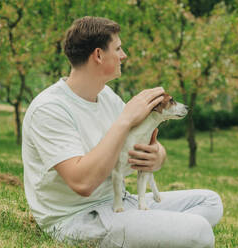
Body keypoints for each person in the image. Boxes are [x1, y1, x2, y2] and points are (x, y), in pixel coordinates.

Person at [22, 16, 223, 248]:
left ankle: (153, 229)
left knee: (210, 202)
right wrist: (125, 119)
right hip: (79, 218)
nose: (124, 55)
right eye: (118, 48)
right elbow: (83, 183)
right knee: (199, 231)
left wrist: (157, 156)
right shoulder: (50, 108)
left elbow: (141, 143)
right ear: (98, 55)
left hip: (120, 202)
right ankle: (160, 231)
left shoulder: (106, 96)